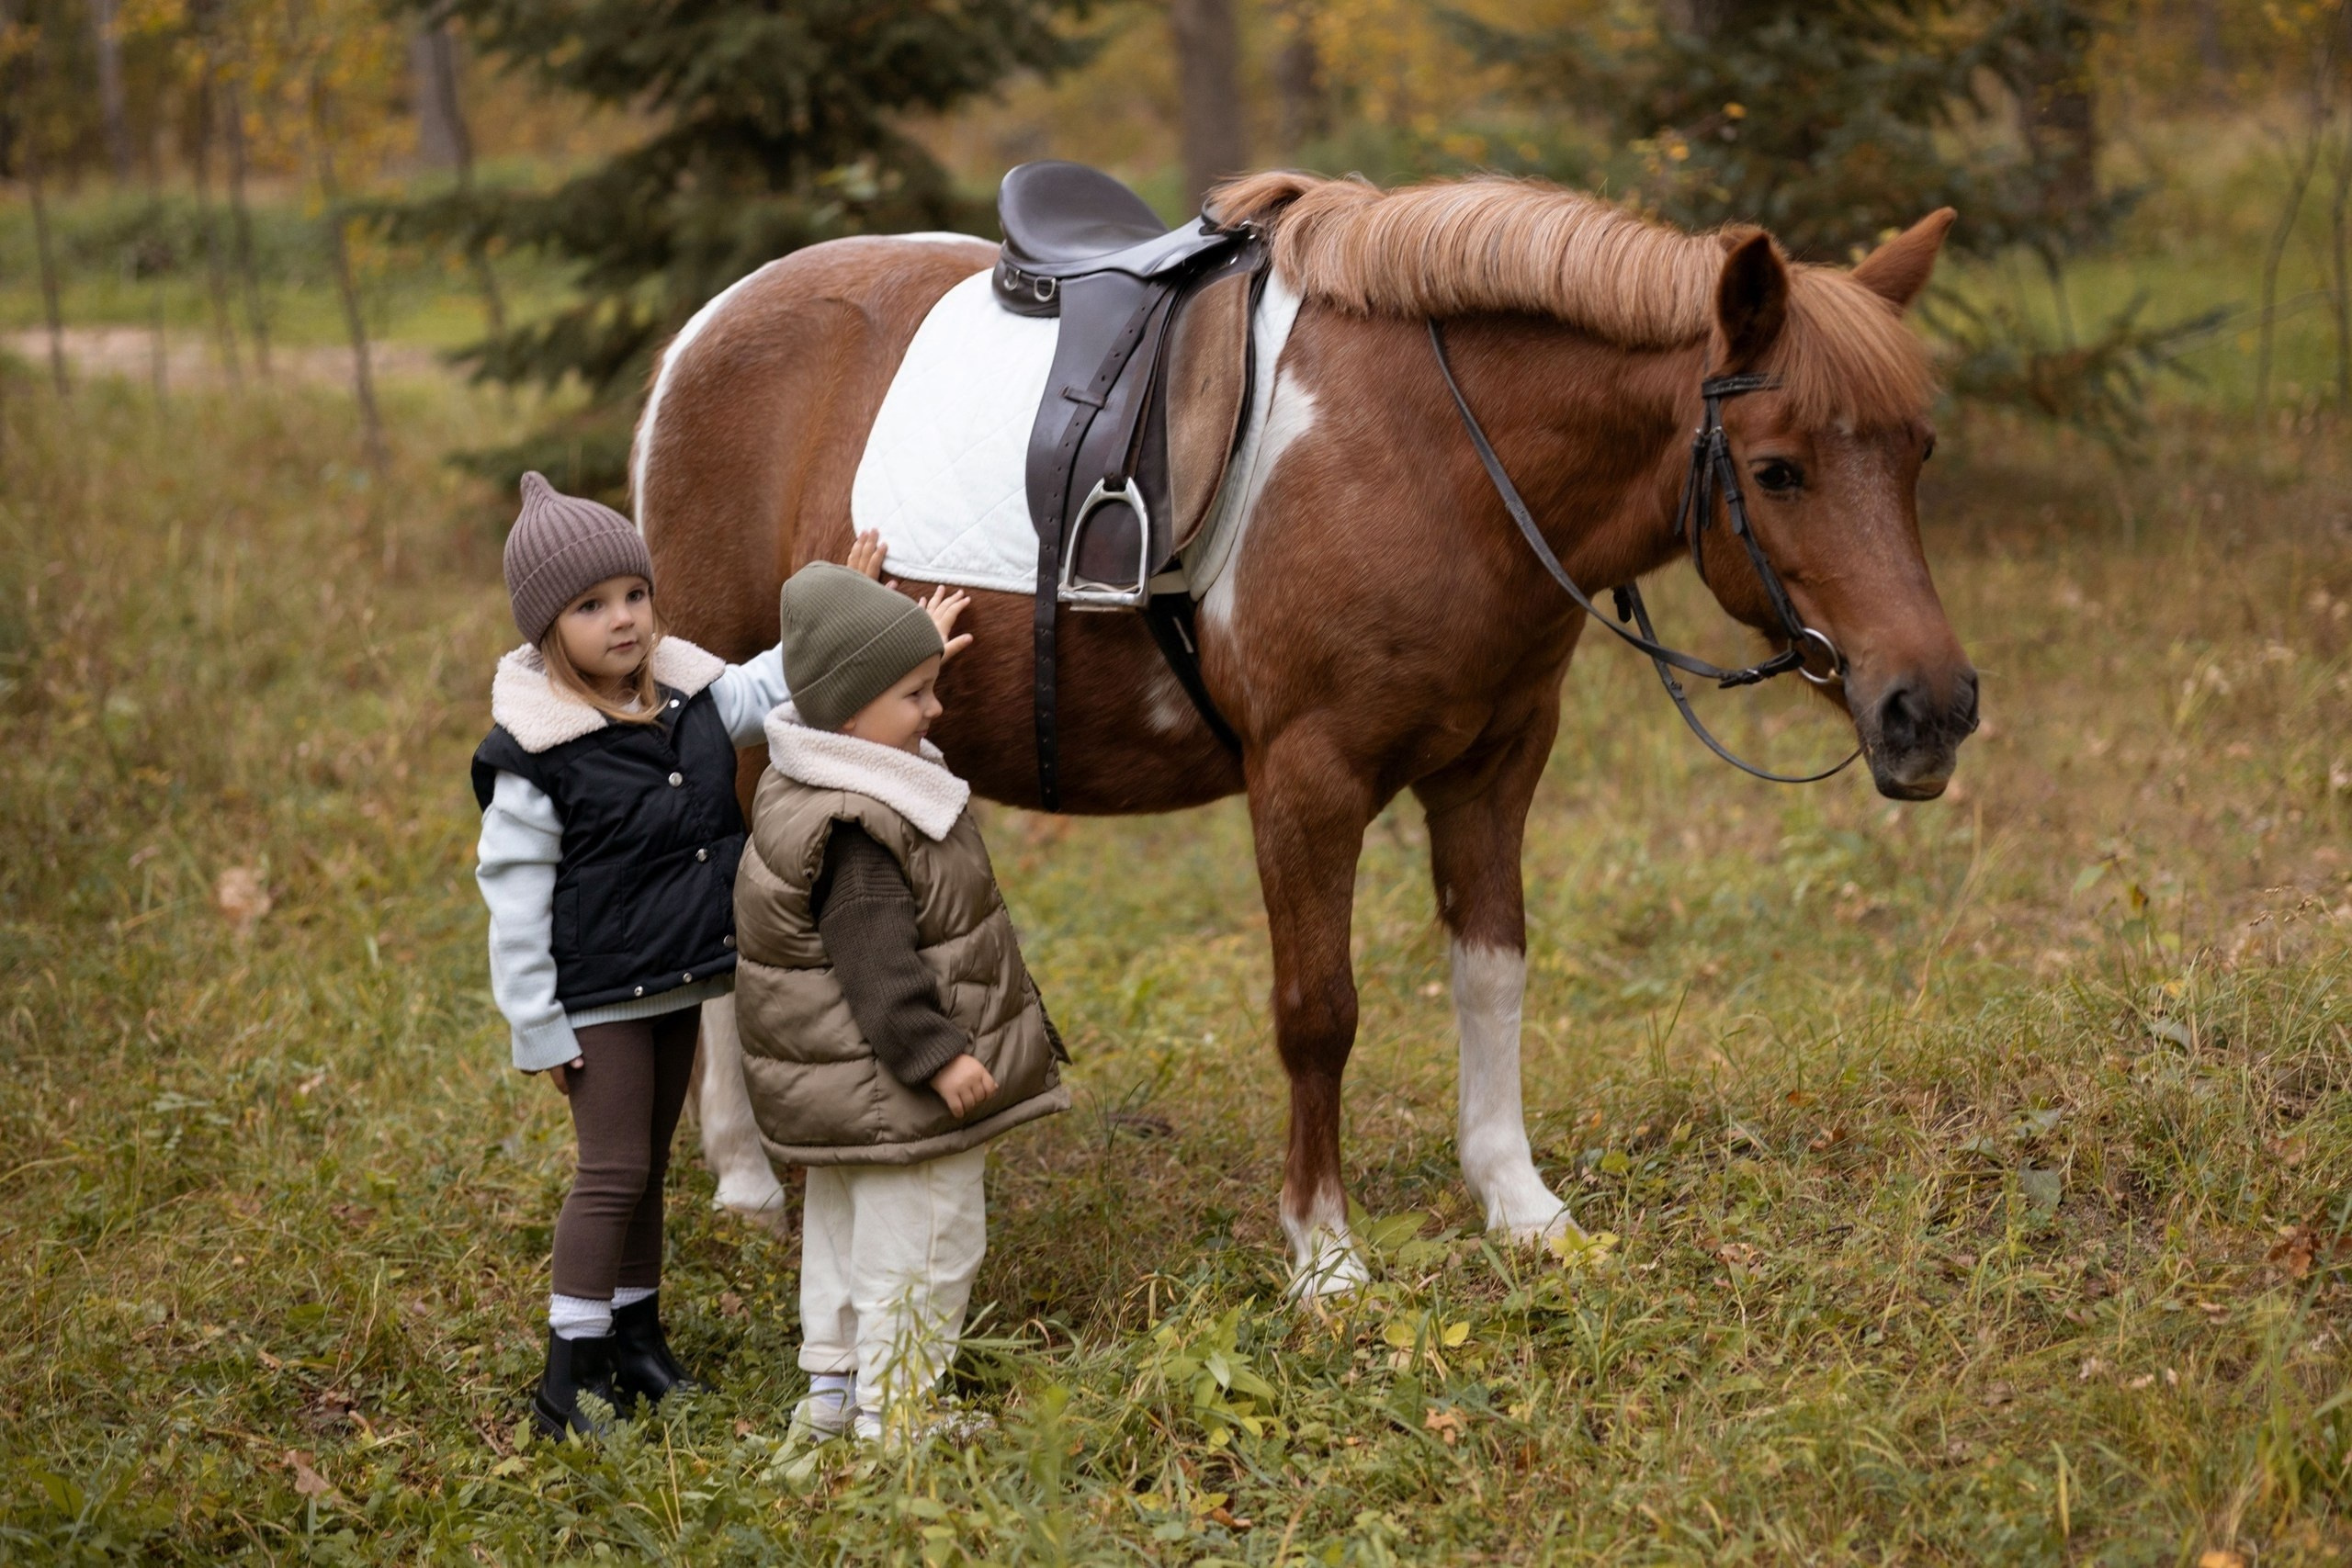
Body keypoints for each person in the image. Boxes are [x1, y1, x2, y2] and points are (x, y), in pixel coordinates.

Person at [469, 472, 941, 1438]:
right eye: (591, 607)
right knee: (610, 1172)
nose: (623, 619)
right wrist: (536, 1022)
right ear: (546, 629)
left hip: (675, 978)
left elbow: (771, 684)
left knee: (649, 1165)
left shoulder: (684, 692)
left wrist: (842, 602)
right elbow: (512, 895)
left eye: (634, 595)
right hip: (597, 996)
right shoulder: (538, 748)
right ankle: (569, 1374)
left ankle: (635, 1337)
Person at [732, 561, 1068, 1444]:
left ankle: (837, 1389)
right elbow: (877, 966)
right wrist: (938, 1055)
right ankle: (901, 1412)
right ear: (851, 712)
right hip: (899, 1085)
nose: (936, 709)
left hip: (850, 1091)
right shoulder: (859, 826)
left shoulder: (814, 772)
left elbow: (867, 684)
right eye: (916, 693)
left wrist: (912, 648)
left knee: (845, 1229)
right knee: (925, 1239)